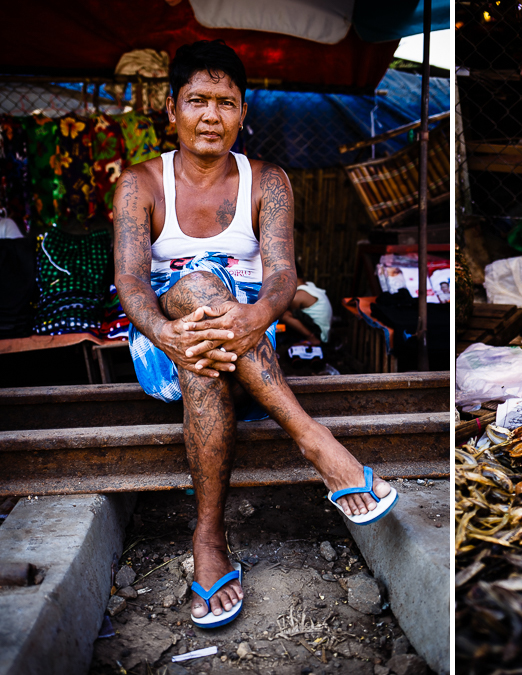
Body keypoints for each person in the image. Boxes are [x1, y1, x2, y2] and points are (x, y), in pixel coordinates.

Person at [113, 40, 396, 629]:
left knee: (207, 351)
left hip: (246, 355)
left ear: (244, 114)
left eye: (226, 103)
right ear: (171, 110)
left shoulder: (267, 181)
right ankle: (314, 440)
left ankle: (209, 540)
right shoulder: (141, 183)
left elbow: (283, 275)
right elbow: (132, 282)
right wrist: (167, 332)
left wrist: (258, 314)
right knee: (191, 286)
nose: (211, 115)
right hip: (167, 352)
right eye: (197, 100)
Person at [281, 270, 332, 346]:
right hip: (325, 331)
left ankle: (311, 338)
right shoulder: (308, 285)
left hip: (319, 334)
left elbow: (286, 310)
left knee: (284, 315)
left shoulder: (298, 296)